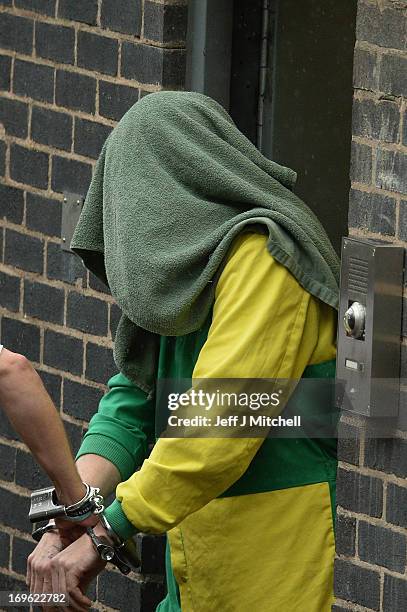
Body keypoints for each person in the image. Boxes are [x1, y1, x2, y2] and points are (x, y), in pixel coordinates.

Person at [27, 90, 340, 612]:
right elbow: (130, 407)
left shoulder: (266, 257)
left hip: (279, 563)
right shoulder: (179, 274)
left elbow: (219, 425)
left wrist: (105, 535)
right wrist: (72, 515)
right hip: (197, 559)